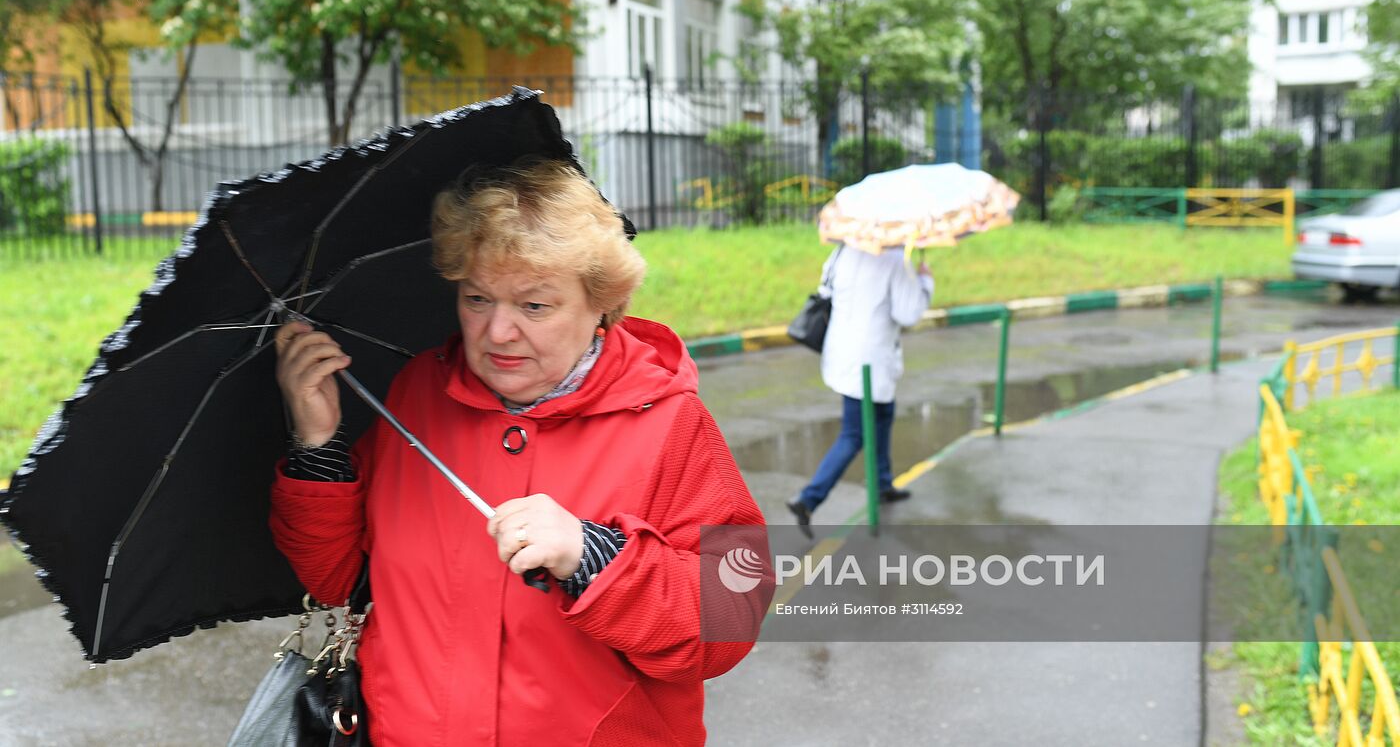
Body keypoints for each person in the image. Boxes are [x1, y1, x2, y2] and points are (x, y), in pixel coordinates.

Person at [269, 160, 768, 746]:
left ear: (600, 305)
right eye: (477, 298)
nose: (498, 332)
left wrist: (595, 556)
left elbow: (732, 618)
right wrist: (319, 447)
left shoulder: (671, 424)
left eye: (534, 306)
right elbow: (336, 580)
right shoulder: (415, 395)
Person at [786, 244, 934, 537]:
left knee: (883, 414)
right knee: (854, 434)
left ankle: (882, 483)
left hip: (844, 352)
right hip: (871, 361)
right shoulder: (894, 261)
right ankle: (808, 499)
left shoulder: (844, 250)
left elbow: (825, 287)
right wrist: (925, 281)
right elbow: (908, 314)